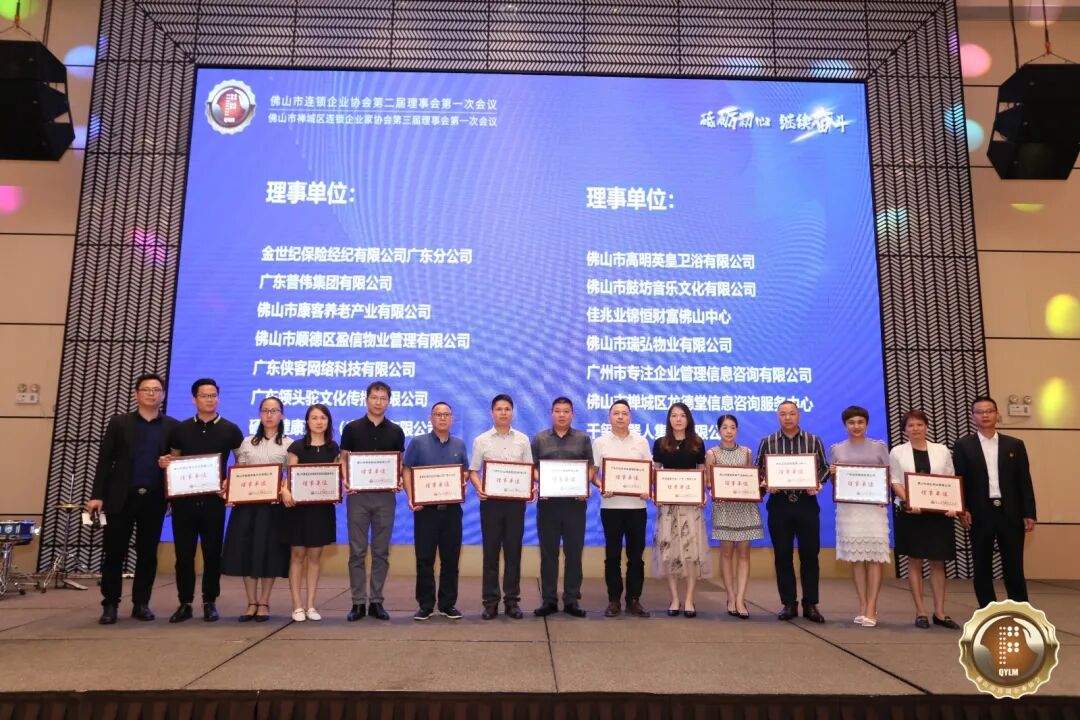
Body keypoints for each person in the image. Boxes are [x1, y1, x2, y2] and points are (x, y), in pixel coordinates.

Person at [89, 373, 179, 624]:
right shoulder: (119, 423)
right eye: (147, 389)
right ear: (137, 393)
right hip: (120, 498)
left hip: (154, 499)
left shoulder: (172, 426)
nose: (152, 394)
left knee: (147, 554)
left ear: (163, 395)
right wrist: (97, 495)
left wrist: (171, 464)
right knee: (114, 553)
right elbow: (105, 460)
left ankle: (141, 603)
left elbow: (179, 462)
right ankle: (110, 604)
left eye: (157, 390)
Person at [166, 378, 244, 623]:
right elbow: (173, 462)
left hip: (214, 502)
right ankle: (185, 603)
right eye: (204, 395)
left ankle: (210, 601)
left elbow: (241, 462)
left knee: (212, 553)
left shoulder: (231, 429)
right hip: (184, 503)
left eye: (213, 395)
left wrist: (230, 483)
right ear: (194, 399)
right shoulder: (180, 429)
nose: (209, 400)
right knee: (184, 555)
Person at [952, 396, 1037, 608]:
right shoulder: (963, 445)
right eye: (980, 412)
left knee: (1014, 565)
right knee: (982, 565)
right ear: (973, 417)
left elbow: (1024, 480)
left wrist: (1029, 512)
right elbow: (959, 480)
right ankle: (988, 610)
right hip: (980, 513)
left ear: (997, 414)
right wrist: (963, 509)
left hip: (1011, 513)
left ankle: (1020, 609)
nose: (985, 415)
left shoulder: (1015, 445)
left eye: (989, 411)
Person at [756, 400, 829, 623]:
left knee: (810, 555)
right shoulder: (767, 442)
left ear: (799, 415)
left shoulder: (813, 440)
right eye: (783, 414)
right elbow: (758, 470)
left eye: (792, 413)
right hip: (779, 504)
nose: (787, 417)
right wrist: (766, 483)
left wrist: (818, 484)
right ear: (777, 416)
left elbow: (825, 468)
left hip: (806, 504)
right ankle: (788, 603)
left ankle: (810, 604)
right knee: (782, 555)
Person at [889, 409, 962, 629]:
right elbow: (894, 481)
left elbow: (950, 479)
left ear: (927, 427)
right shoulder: (897, 452)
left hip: (939, 515)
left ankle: (940, 612)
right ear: (904, 429)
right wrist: (910, 501)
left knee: (938, 562)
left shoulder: (942, 450)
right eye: (910, 425)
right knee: (915, 561)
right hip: (911, 513)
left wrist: (952, 504)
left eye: (919, 425)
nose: (915, 429)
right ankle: (920, 612)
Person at [221, 396, 290, 622]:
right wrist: (228, 487)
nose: (269, 415)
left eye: (274, 410)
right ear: (260, 414)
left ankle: (264, 602)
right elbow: (238, 471)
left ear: (282, 415)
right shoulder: (247, 442)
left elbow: (291, 476)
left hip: (273, 508)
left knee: (269, 553)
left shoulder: (289, 444)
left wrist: (283, 486)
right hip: (247, 507)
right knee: (247, 552)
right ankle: (251, 602)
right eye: (265, 410)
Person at [340, 381, 404, 621]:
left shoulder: (396, 431)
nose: (378, 402)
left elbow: (399, 463)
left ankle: (376, 601)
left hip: (385, 498)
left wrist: (398, 478)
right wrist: (347, 480)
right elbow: (343, 459)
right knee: (357, 551)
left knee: (381, 552)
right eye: (374, 397)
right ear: (366, 399)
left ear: (389, 402)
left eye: (383, 398)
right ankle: (357, 602)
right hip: (358, 497)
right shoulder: (351, 429)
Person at [468, 393, 534, 620]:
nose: (503, 413)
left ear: (512, 412)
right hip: (491, 504)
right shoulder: (481, 440)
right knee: (491, 553)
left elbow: (529, 471)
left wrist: (531, 488)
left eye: (507, 409)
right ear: (492, 413)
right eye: (499, 409)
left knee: (514, 552)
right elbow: (473, 471)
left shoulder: (523, 440)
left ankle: (512, 601)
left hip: (515, 504)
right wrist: (480, 488)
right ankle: (490, 602)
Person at [402, 401, 469, 621]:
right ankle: (426, 605)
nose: (442, 418)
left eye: (446, 414)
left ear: (452, 419)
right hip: (426, 511)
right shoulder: (418, 442)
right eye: (438, 414)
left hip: (452, 512)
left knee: (451, 559)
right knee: (424, 559)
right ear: (430, 418)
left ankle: (448, 604)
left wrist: (460, 481)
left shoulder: (459, 444)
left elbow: (465, 473)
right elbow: (407, 470)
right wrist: (411, 496)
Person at [828, 406, 891, 628]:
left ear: (866, 423)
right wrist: (833, 474)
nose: (856, 426)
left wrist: (884, 496)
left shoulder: (879, 447)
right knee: (856, 559)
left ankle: (872, 607)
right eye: (851, 422)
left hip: (873, 509)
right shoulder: (837, 449)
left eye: (860, 422)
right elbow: (835, 484)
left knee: (875, 558)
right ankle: (863, 606)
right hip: (849, 510)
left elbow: (888, 476)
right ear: (845, 425)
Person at [532, 397, 594, 618]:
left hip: (574, 505)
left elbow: (591, 468)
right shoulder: (539, 439)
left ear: (572, 414)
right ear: (551, 414)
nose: (561, 415)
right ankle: (549, 600)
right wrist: (543, 481)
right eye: (557, 411)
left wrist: (584, 484)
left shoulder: (582, 439)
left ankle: (571, 599)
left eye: (566, 411)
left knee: (574, 553)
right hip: (548, 504)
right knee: (549, 553)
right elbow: (532, 468)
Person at [593, 399, 652, 618]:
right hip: (611, 507)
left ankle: (634, 599)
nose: (620, 417)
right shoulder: (600, 442)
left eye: (624, 413)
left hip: (637, 507)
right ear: (609, 417)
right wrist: (601, 486)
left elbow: (649, 472)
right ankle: (614, 600)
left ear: (630, 417)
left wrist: (647, 488)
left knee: (636, 556)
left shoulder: (641, 442)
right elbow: (592, 474)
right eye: (616, 413)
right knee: (612, 556)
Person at [652, 402, 710, 618]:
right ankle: (675, 598)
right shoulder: (660, 443)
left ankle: (689, 600)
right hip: (668, 506)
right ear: (669, 419)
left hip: (690, 505)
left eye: (682, 415)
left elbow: (702, 473)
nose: (678, 419)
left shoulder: (697, 443)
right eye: (674, 415)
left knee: (691, 552)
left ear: (688, 419)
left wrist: (702, 493)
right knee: (669, 551)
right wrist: (656, 493)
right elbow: (656, 473)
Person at [281, 403, 338, 622]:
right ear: (307, 421)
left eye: (323, 417)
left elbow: (337, 477)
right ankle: (297, 605)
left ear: (328, 421)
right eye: (314, 418)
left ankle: (311, 605)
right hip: (298, 508)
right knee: (297, 555)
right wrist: (285, 490)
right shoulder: (296, 447)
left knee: (315, 556)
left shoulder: (333, 448)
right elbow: (289, 477)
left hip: (321, 509)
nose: (319, 422)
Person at [705, 414, 762, 619]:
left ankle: (740, 598)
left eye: (732, 427)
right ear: (718, 430)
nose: (728, 431)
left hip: (745, 508)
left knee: (744, 554)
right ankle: (730, 596)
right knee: (727, 554)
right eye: (724, 427)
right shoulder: (712, 453)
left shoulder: (746, 452)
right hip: (724, 508)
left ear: (737, 430)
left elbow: (750, 478)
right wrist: (717, 486)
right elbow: (708, 481)